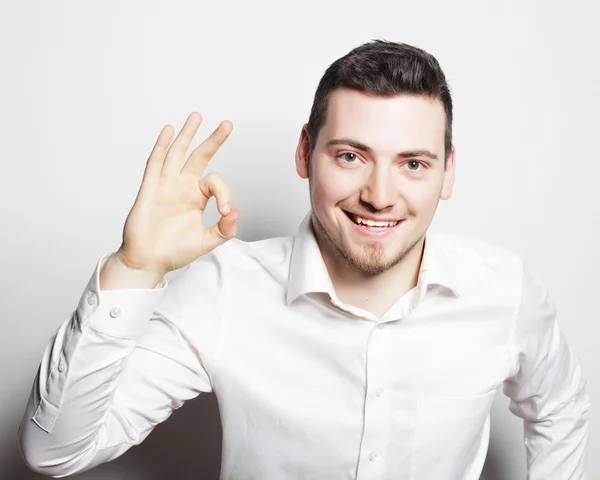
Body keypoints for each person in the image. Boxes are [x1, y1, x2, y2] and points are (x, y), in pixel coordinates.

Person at [18, 40, 589, 479]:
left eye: (412, 163)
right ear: (304, 153)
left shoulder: (504, 291)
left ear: (448, 171)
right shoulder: (225, 289)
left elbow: (561, 408)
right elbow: (55, 453)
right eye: (350, 155)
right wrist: (134, 269)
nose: (380, 194)